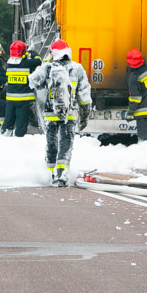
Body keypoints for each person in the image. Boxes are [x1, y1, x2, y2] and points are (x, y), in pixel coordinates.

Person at [29, 39, 92, 186]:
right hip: (70, 115)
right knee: (65, 145)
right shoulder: (77, 69)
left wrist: (44, 65)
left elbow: (33, 82)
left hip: (50, 115)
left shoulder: (47, 68)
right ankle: (61, 175)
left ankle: (49, 173)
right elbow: (84, 95)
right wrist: (84, 115)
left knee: (51, 144)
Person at [1, 40, 42, 137]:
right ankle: (18, 140)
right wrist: (33, 53)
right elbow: (39, 61)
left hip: (10, 99)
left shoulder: (9, 64)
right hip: (23, 100)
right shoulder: (27, 63)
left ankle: (5, 136)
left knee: (8, 121)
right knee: (21, 123)